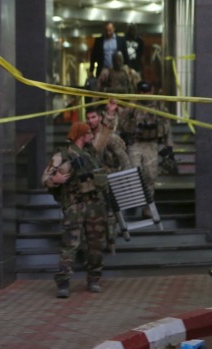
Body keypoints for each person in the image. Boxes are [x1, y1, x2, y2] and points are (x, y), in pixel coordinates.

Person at [41, 122, 107, 298]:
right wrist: (56, 179)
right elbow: (45, 178)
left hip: (94, 205)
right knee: (70, 244)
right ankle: (63, 282)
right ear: (81, 135)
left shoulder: (92, 153)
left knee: (95, 244)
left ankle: (94, 278)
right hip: (74, 205)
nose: (91, 135)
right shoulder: (62, 155)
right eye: (88, 133)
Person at [109, 80, 174, 218]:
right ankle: (133, 201)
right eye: (141, 91)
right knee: (134, 173)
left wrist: (169, 146)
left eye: (146, 91)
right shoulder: (131, 107)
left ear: (152, 91)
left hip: (152, 145)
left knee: (150, 176)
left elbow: (166, 126)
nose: (144, 94)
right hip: (135, 143)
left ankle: (147, 207)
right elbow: (121, 125)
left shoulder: (159, 106)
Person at [85, 105, 131, 253]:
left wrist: (123, 180)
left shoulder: (110, 137)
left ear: (99, 118)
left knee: (111, 215)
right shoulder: (85, 137)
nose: (90, 121)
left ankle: (111, 243)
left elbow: (124, 160)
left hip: (110, 180)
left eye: (93, 117)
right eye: (88, 118)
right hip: (92, 182)